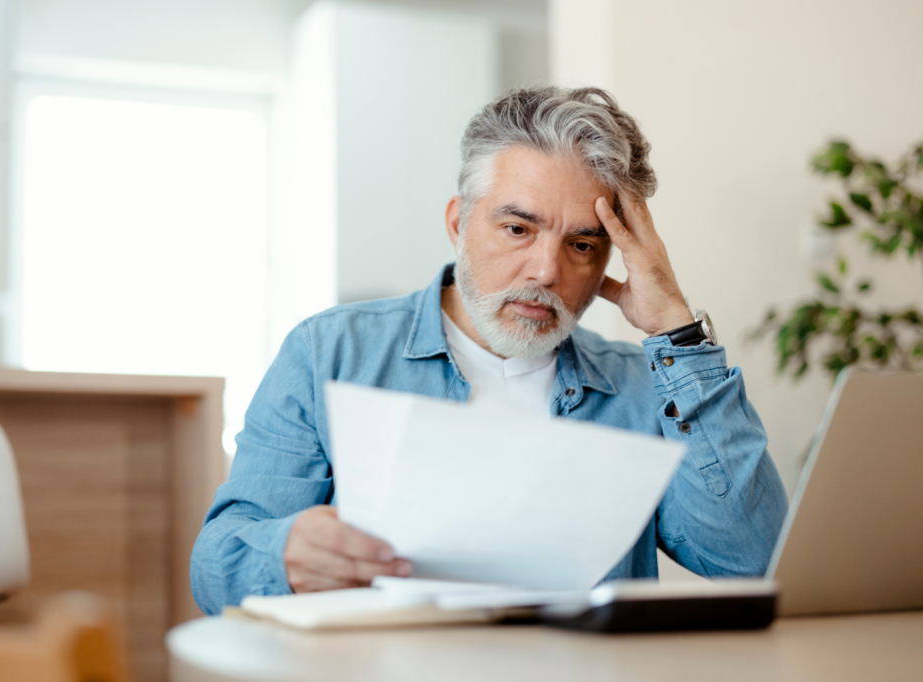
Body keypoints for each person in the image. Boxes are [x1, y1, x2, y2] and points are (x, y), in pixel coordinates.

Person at [190, 86, 789, 614]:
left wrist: (677, 336)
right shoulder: (330, 351)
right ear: (459, 224)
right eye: (517, 229)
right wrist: (286, 553)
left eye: (582, 244)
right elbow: (216, 569)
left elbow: (751, 562)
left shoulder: (641, 388)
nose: (546, 270)